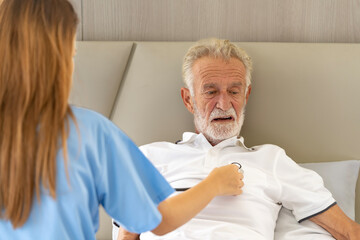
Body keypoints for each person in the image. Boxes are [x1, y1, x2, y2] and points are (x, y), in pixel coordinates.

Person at [0, 2, 244, 239]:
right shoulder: (90, 133)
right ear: (58, 60)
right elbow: (160, 220)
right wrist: (213, 184)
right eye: (72, 54)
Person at [114, 38, 360, 240]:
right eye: (210, 92)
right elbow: (127, 234)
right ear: (188, 99)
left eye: (234, 91)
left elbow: (347, 231)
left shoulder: (272, 160)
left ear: (246, 95)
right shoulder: (148, 157)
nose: (224, 104)